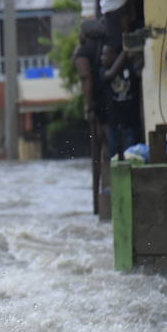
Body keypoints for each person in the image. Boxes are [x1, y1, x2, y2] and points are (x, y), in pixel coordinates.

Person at [74, 19, 107, 214]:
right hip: (112, 102)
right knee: (110, 150)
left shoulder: (83, 52)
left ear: (85, 34)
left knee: (98, 152)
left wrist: (89, 106)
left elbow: (86, 79)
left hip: (98, 105)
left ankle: (99, 204)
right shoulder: (106, 46)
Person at [99, 43, 141, 161]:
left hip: (130, 121)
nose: (102, 57)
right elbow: (110, 75)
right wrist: (124, 52)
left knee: (131, 156)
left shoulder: (129, 67)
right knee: (114, 158)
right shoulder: (103, 70)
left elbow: (138, 73)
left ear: (113, 55)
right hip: (113, 122)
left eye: (104, 54)